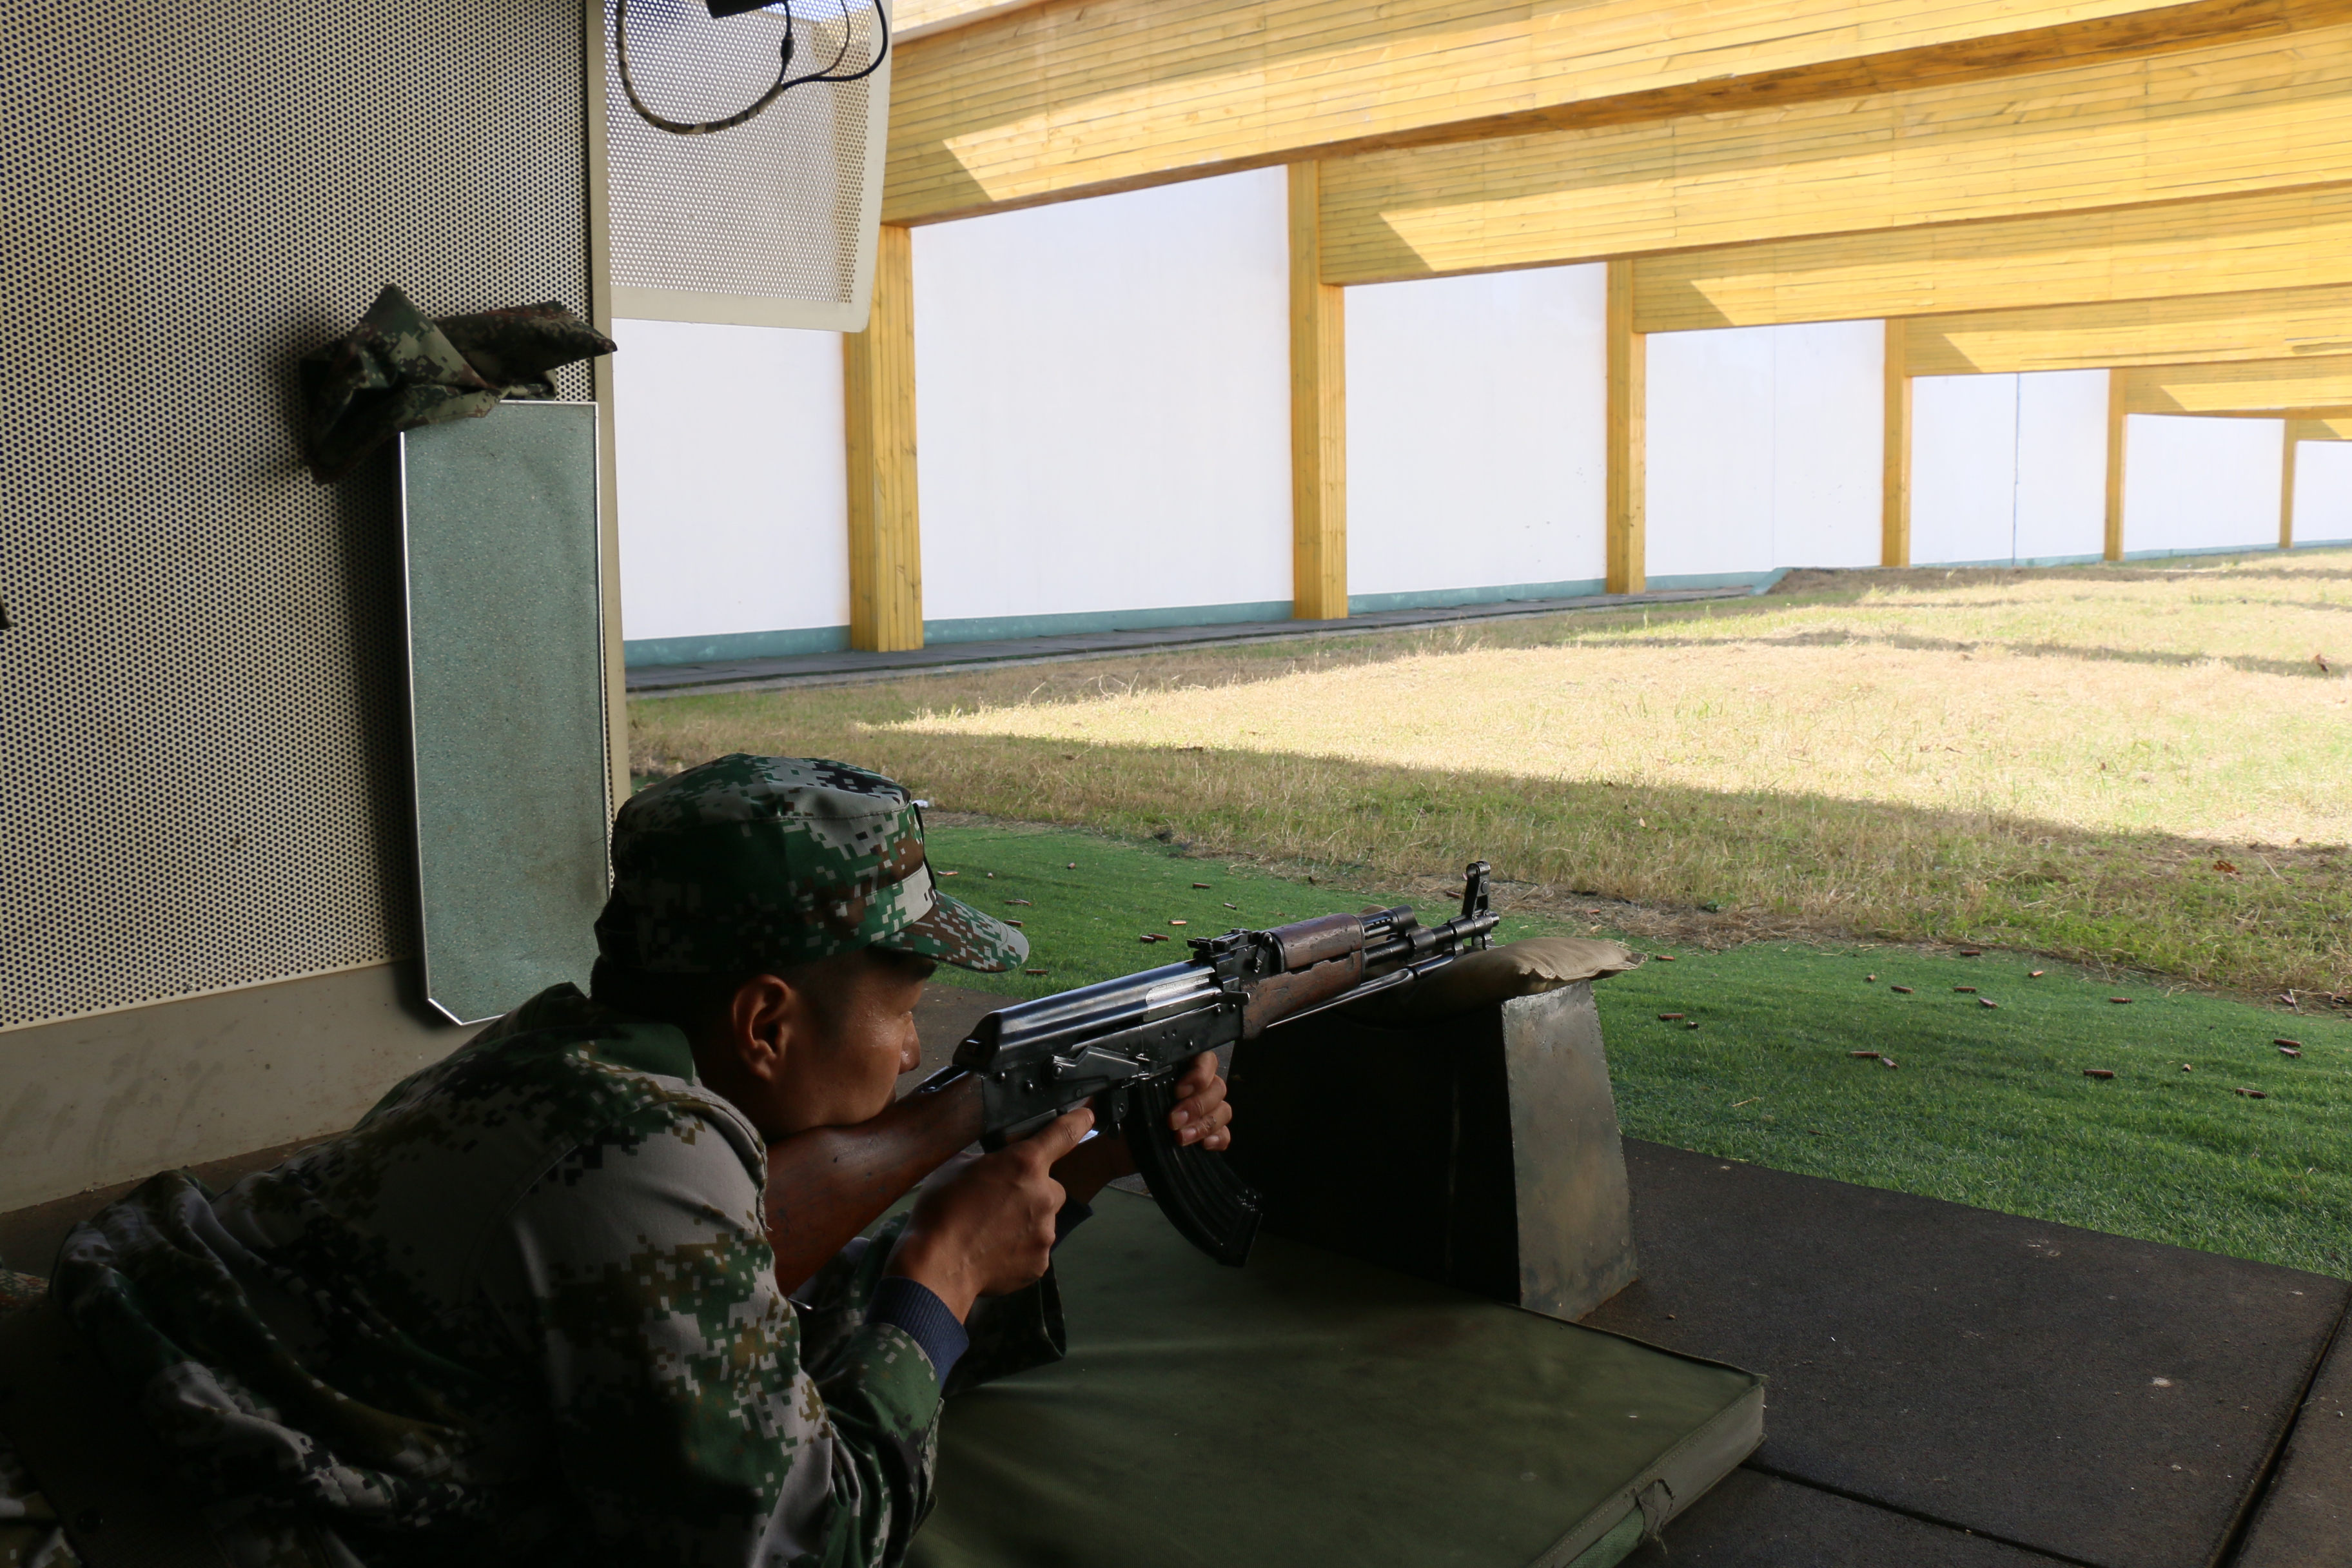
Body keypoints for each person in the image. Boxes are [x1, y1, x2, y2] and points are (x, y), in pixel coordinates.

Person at [0, 754, 1233, 1567]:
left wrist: (1079, 1169)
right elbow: (799, 1542)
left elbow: (734, 1335)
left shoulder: (555, 1056)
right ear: (765, 1023)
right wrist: (942, 1274)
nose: (919, 1047)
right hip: (82, 1503)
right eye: (906, 1006)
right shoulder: (644, 1152)